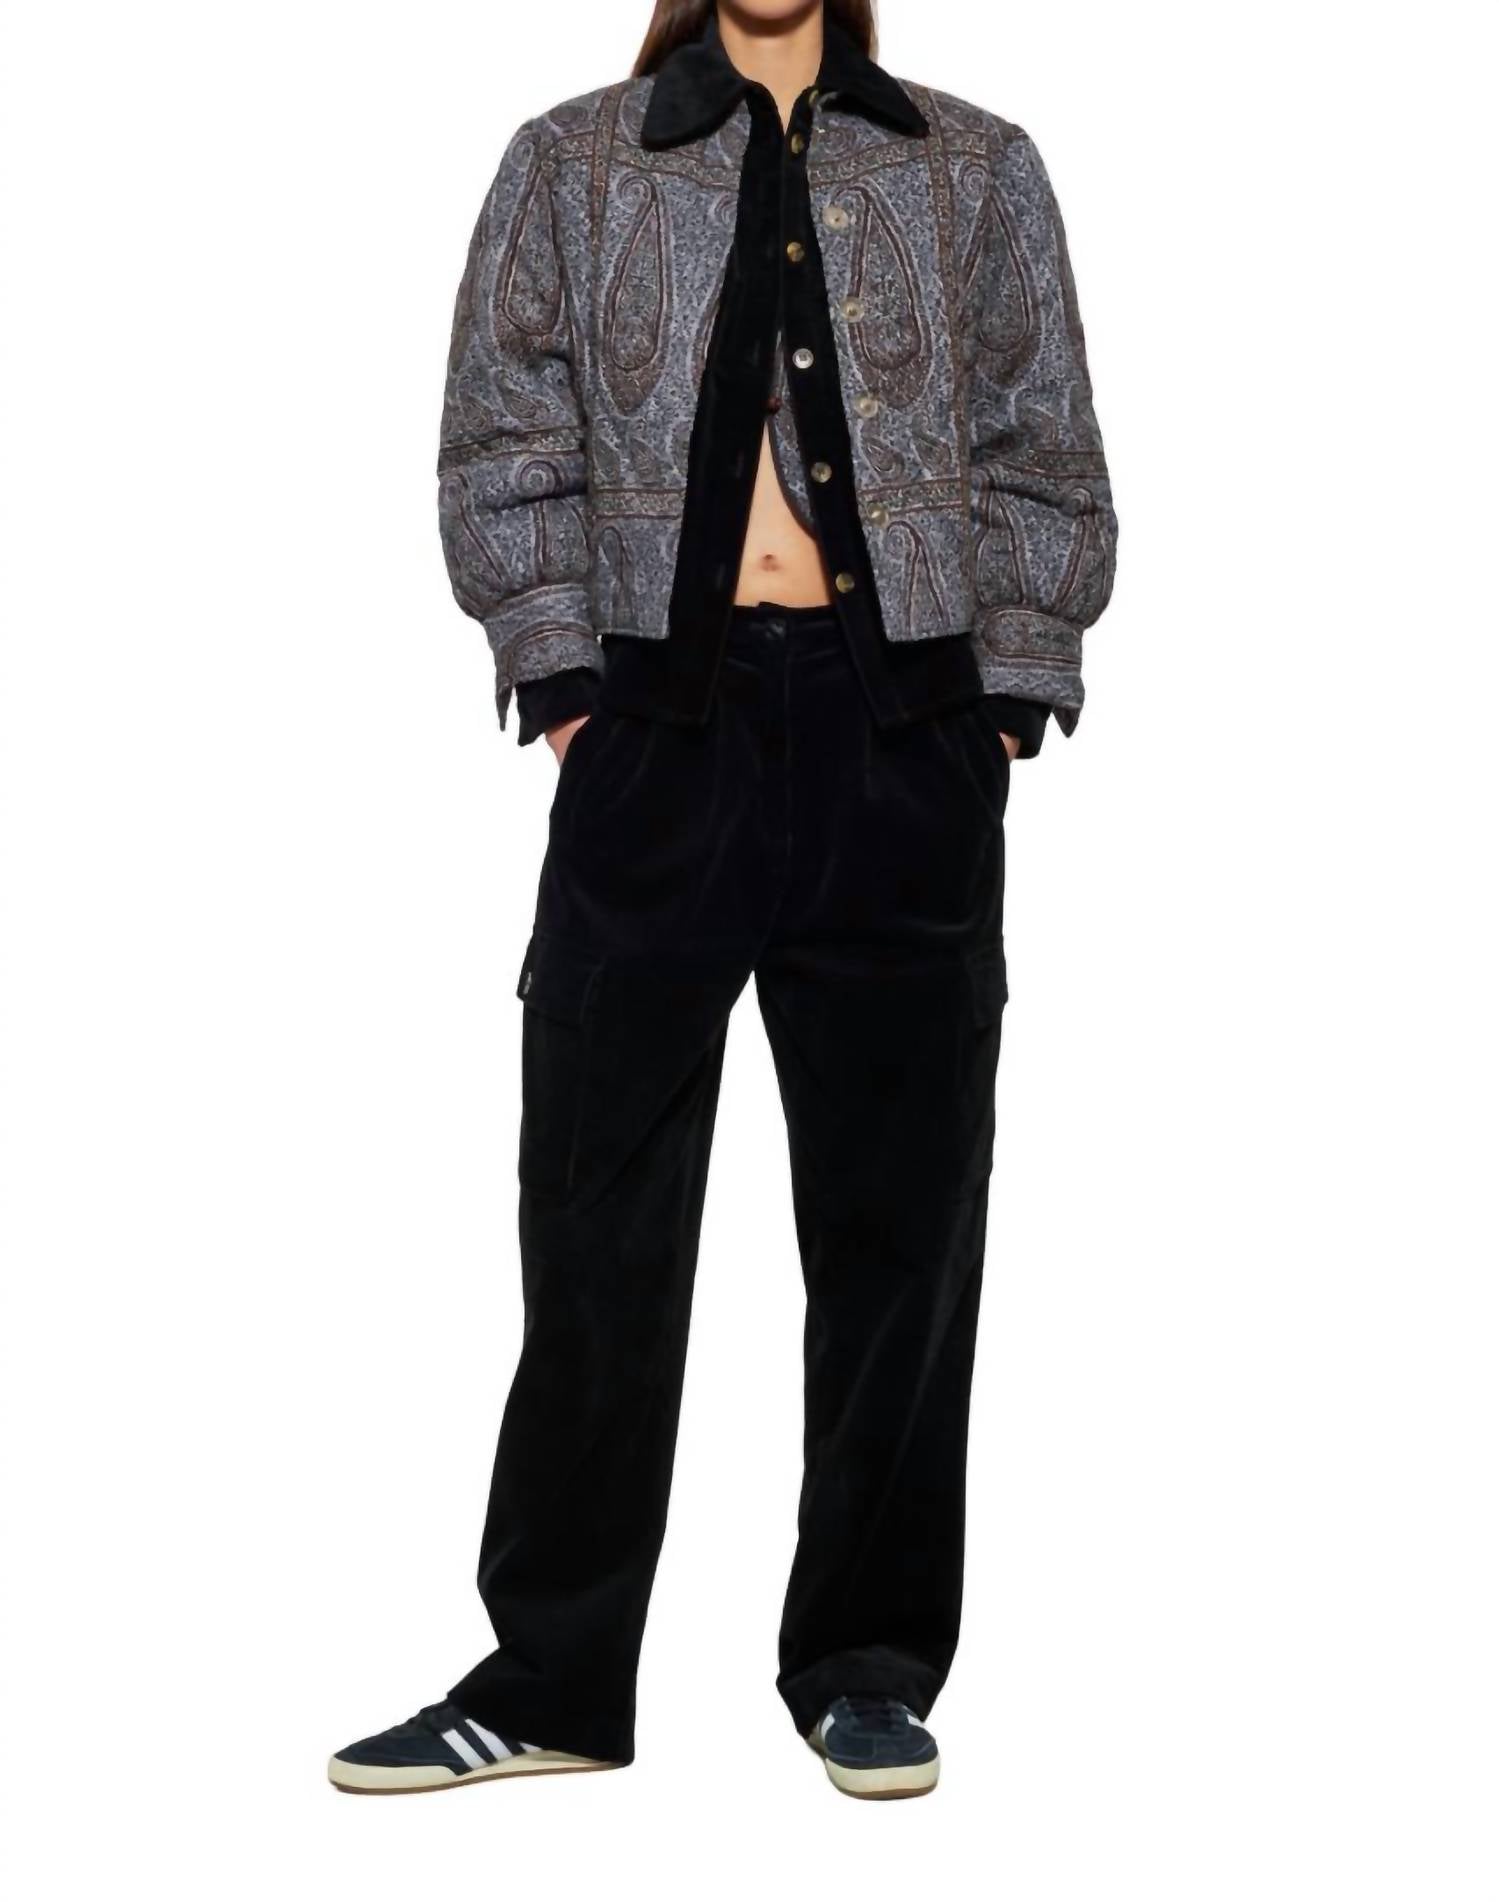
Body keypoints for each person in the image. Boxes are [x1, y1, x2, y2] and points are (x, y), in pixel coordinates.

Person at [328, 0, 1116, 1803]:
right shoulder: (571, 162)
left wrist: (996, 707)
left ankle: (867, 1662)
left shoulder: (975, 166)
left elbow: (1043, 436)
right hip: (654, 733)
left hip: (900, 738)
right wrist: (569, 688)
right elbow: (500, 425)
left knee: (904, 1229)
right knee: (593, 1219)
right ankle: (551, 1678)